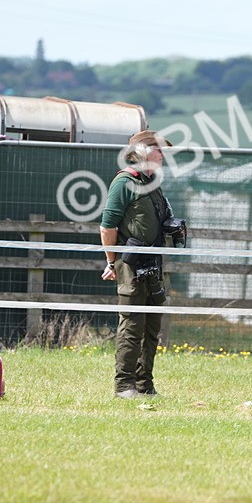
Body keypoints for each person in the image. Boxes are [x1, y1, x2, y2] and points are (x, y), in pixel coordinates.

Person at [100, 129, 179, 399]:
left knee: (152, 326)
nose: (162, 155)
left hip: (154, 261)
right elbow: (107, 225)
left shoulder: (152, 183)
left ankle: (145, 385)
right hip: (130, 265)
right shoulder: (125, 182)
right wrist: (112, 261)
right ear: (144, 152)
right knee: (132, 326)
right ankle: (124, 386)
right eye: (159, 150)